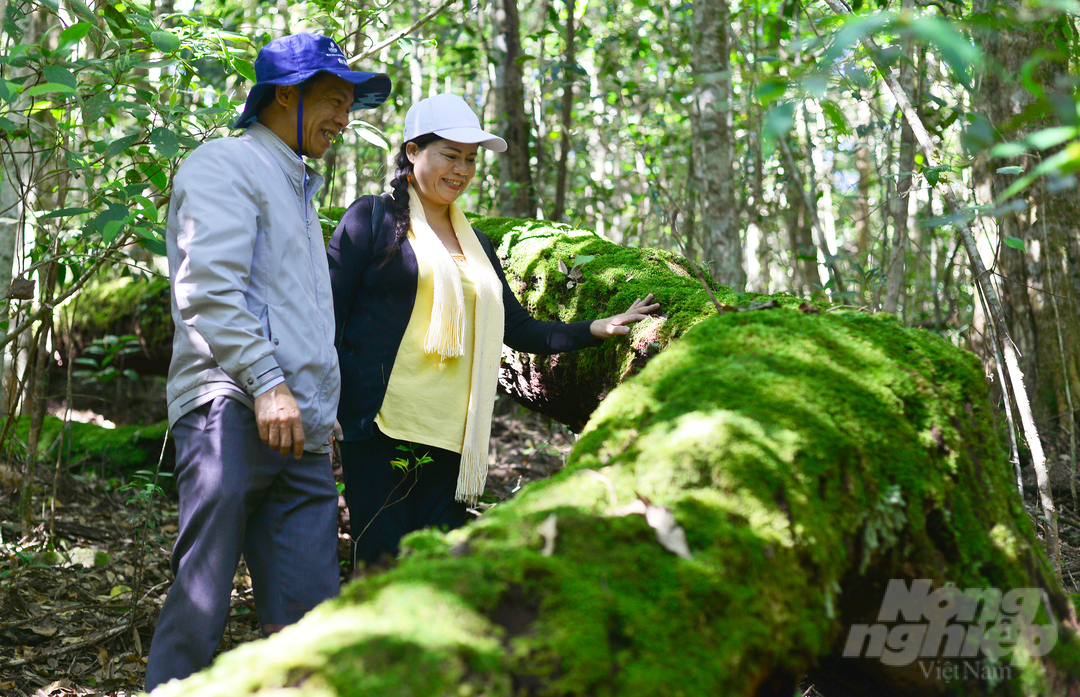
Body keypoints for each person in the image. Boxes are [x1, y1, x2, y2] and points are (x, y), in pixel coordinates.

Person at [145, 34, 390, 691]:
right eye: (336, 100)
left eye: (348, 103)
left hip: (300, 424)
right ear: (288, 94)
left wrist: (318, 405)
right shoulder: (225, 164)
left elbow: (301, 313)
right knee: (202, 603)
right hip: (231, 403)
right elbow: (209, 291)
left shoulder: (298, 185)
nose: (345, 117)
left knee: (311, 621)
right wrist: (267, 381)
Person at [327, 93, 658, 569]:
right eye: (450, 155)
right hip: (381, 427)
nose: (461, 169)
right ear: (413, 151)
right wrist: (325, 399)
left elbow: (517, 327)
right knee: (382, 566)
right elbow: (330, 312)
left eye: (470, 159)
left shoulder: (476, 242)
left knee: (442, 572)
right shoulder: (373, 218)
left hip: (454, 433)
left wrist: (597, 328)